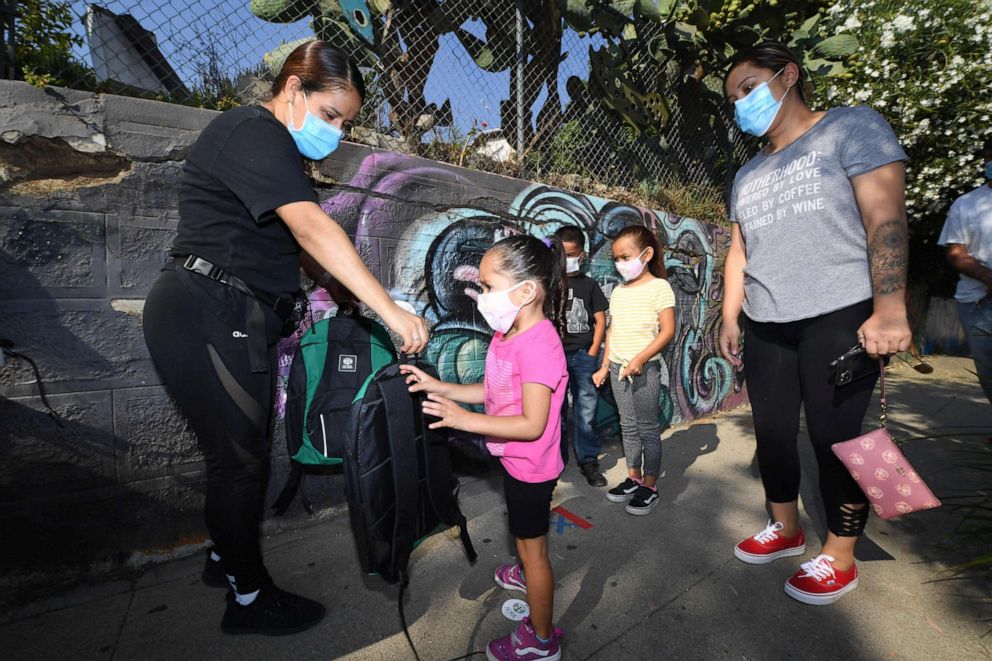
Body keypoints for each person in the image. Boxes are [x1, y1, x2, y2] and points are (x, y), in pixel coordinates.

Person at [142, 41, 428, 636]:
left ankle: (225, 561)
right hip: (210, 309)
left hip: (229, 314)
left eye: (345, 125)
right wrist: (393, 315)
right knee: (240, 463)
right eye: (330, 115)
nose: (336, 133)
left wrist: (364, 305)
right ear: (293, 89)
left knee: (239, 457)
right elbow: (313, 229)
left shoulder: (276, 157)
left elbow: (305, 255)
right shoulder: (253, 130)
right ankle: (249, 601)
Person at [720, 41, 912, 605]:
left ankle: (839, 555)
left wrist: (892, 306)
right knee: (773, 435)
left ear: (789, 75)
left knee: (837, 441)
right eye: (733, 98)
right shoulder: (748, 174)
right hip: (765, 321)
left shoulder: (851, 128)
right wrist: (731, 315)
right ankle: (785, 528)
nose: (741, 103)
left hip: (840, 311)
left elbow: (886, 217)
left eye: (749, 87)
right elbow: (739, 251)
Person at [400, 235, 568, 661]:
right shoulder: (507, 334)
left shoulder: (539, 345)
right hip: (514, 462)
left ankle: (541, 639)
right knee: (522, 530)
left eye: (490, 287)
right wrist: (442, 387)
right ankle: (525, 567)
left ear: (527, 291)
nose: (482, 297)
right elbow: (492, 391)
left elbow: (532, 424)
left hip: (531, 466)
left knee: (535, 550)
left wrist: (462, 420)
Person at [592, 225, 676, 515]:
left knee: (647, 429)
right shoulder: (618, 291)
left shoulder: (659, 288)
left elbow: (668, 331)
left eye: (625, 257)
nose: (620, 264)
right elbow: (612, 330)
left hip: (645, 371)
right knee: (627, 426)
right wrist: (605, 365)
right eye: (616, 259)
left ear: (647, 254)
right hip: (617, 368)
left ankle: (649, 486)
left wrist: (640, 358)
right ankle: (633, 477)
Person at [553, 225, 609, 487]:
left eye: (572, 254)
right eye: (562, 254)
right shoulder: (550, 284)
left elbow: (600, 320)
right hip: (554, 358)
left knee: (586, 409)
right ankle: (556, 461)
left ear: (582, 255)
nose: (567, 260)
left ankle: (588, 461)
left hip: (584, 356)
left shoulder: (589, 285)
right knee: (555, 410)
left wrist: (594, 349)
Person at [938, 137, 992, 405]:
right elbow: (956, 252)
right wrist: (987, 277)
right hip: (978, 303)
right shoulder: (966, 204)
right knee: (988, 370)